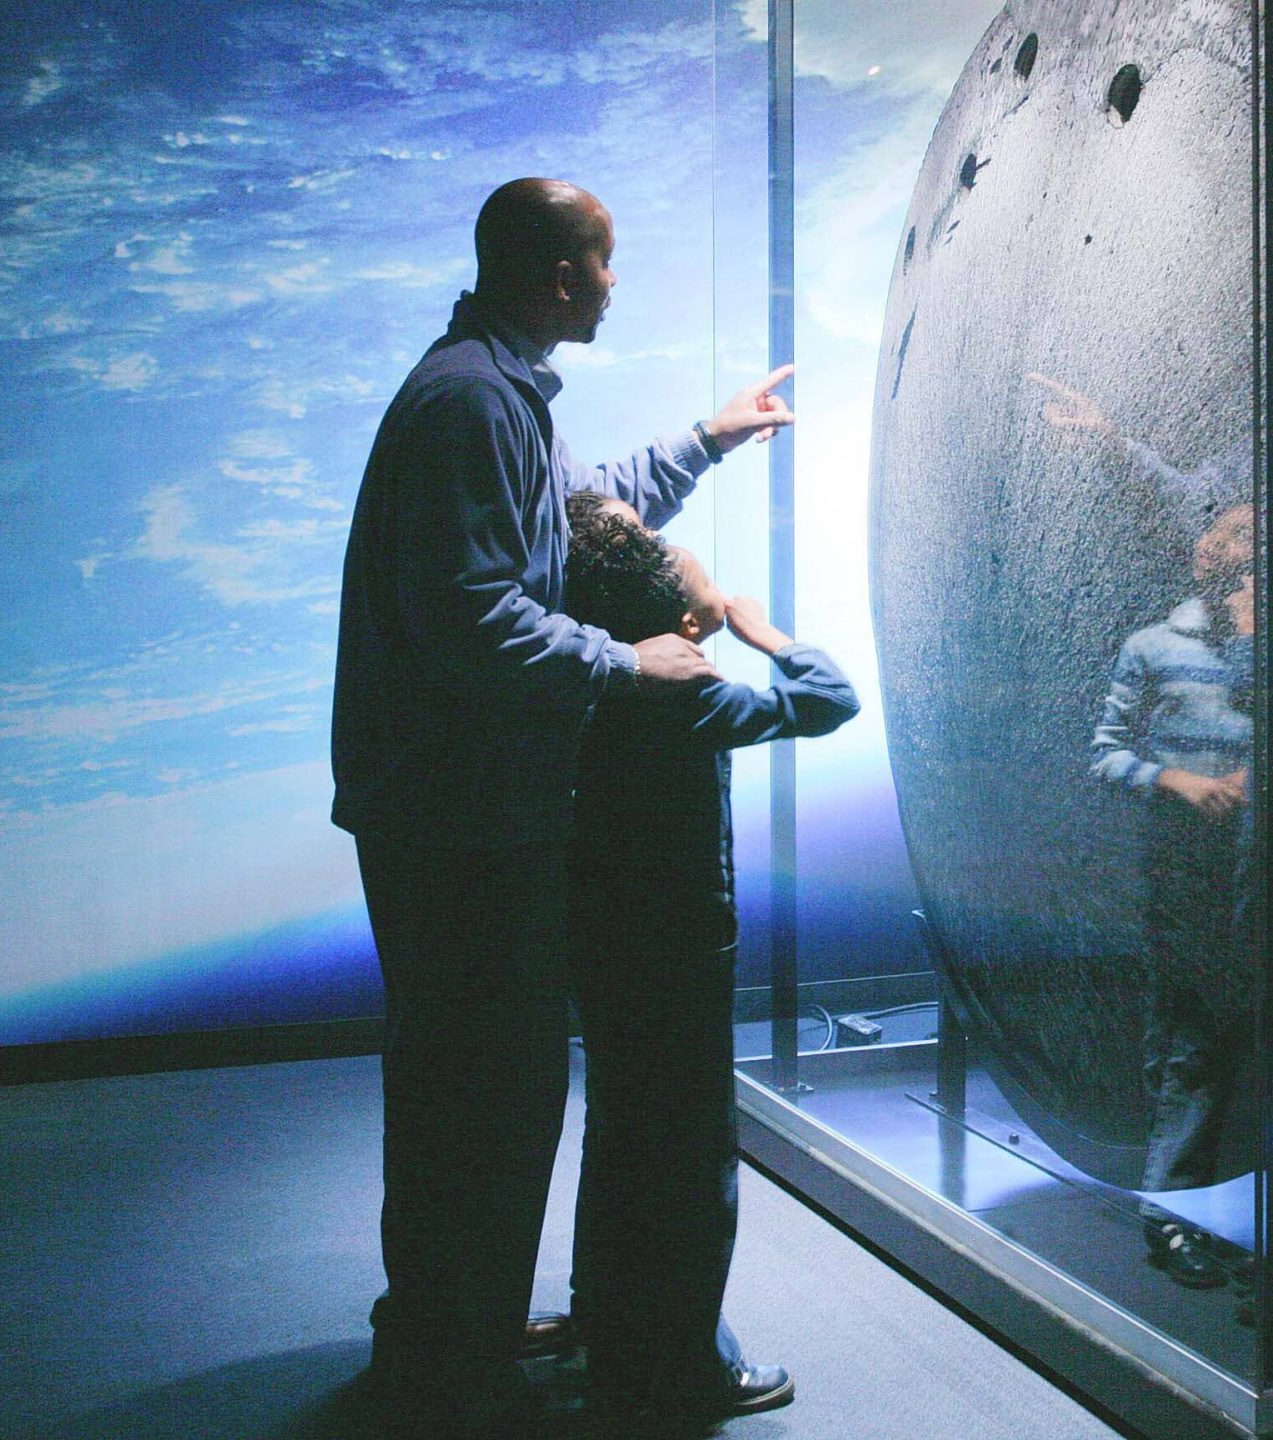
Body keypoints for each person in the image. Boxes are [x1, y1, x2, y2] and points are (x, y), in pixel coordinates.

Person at [330, 176, 792, 1439]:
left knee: (472, 1086)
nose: (612, 280)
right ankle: (441, 1363)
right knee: (474, 1093)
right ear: (553, 276)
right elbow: (475, 612)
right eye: (600, 260)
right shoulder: (474, 402)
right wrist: (628, 665)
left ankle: (453, 1329)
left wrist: (706, 437)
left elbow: (582, 514)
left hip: (457, 808)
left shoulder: (492, 389)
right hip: (455, 821)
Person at [557, 493, 859, 1421]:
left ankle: (602, 1321)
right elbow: (829, 701)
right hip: (681, 949)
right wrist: (766, 633)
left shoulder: (593, 681)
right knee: (689, 1160)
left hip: (603, 938)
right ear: (689, 623)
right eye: (711, 590)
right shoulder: (686, 687)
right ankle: (685, 1365)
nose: (721, 597)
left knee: (619, 1135)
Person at [1088, 501, 1258, 1293]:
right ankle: (1173, 1219)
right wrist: (1178, 781)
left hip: (1262, 869)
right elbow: (1105, 754)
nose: (1210, 543)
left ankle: (1196, 1208)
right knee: (1192, 1042)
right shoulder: (1152, 646)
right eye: (1212, 530)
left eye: (1235, 536)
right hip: (1181, 867)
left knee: (1214, 1043)